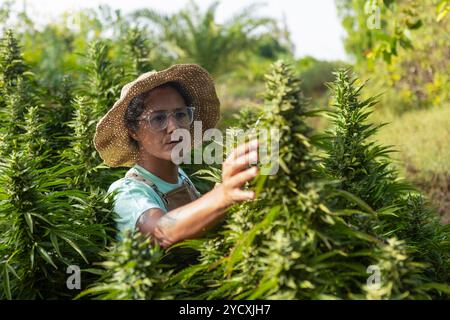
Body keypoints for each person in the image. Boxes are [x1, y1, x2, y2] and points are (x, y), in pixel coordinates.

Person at [93, 64, 258, 248]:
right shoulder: (128, 193)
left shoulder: (180, 177)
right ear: (133, 131)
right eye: (158, 119)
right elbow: (161, 231)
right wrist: (223, 196)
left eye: (180, 114)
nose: (174, 127)